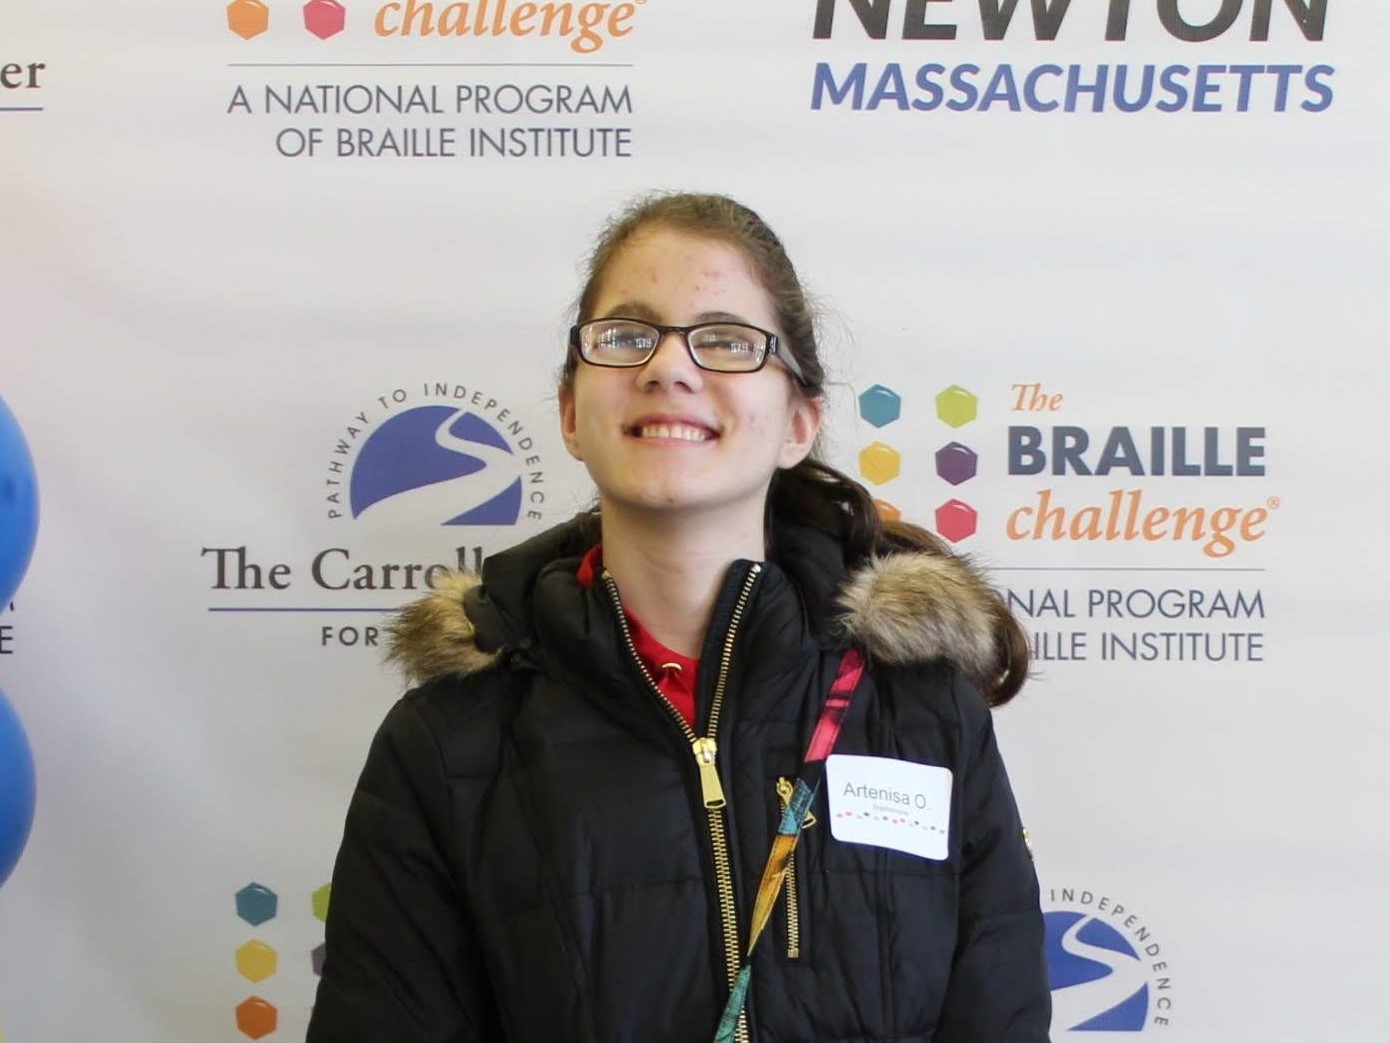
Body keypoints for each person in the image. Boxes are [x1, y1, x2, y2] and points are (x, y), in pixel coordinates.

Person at [307, 192, 1051, 1043]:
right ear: (568, 413)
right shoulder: (447, 744)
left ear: (799, 422)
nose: (671, 368)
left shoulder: (920, 709)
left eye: (727, 340)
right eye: (627, 336)